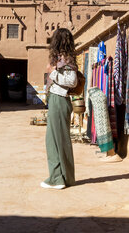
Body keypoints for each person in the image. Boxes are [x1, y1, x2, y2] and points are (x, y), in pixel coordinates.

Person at [41, 28, 78, 189]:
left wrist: (53, 72)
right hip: (58, 100)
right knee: (55, 140)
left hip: (59, 100)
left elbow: (72, 81)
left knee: (56, 141)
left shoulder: (65, 60)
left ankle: (58, 179)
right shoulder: (64, 58)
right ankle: (64, 177)